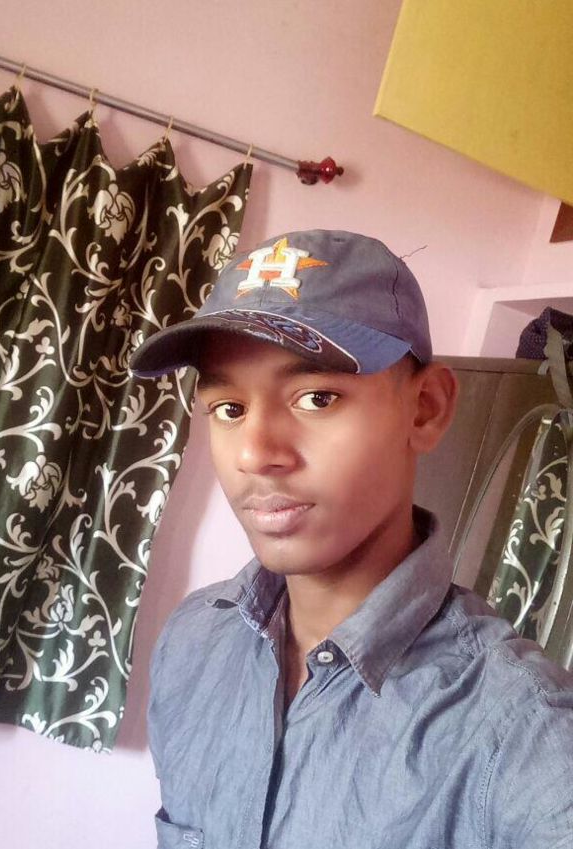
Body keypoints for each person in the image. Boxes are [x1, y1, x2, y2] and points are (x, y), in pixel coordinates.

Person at [130, 230, 573, 848]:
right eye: (229, 409)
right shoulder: (193, 640)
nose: (255, 454)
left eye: (316, 398)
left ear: (426, 409)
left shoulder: (525, 736)